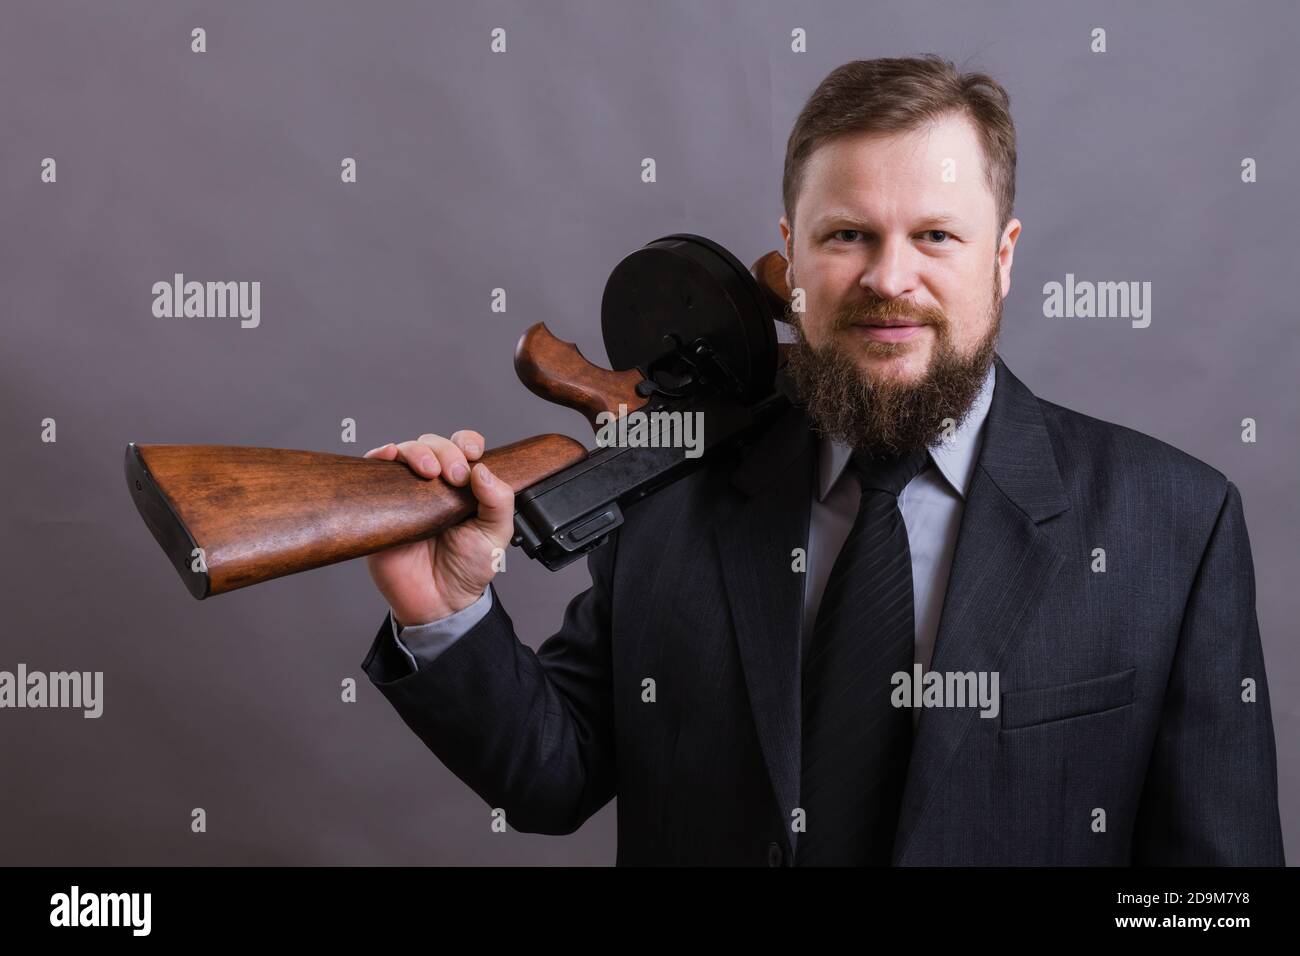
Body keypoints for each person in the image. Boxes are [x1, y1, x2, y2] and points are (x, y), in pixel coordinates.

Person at [358, 56, 1284, 866]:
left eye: (935, 235)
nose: (889, 278)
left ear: (1002, 258)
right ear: (792, 257)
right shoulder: (676, 492)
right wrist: (447, 615)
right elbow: (551, 778)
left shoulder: (1174, 525)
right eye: (848, 236)